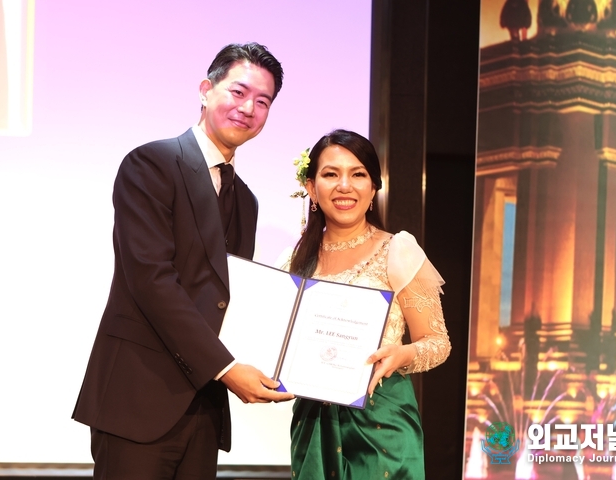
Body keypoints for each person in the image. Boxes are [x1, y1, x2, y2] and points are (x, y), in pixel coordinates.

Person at [72, 42, 294, 480]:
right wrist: (228, 369)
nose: (248, 108)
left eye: (263, 101)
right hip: (138, 400)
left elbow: (232, 299)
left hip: (203, 408)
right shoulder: (152, 163)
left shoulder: (244, 199)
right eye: (238, 92)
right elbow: (151, 280)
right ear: (206, 90)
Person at [285, 129, 451, 479]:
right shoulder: (292, 262)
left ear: (374, 188)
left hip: (383, 421)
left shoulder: (398, 250)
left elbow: (438, 343)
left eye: (358, 174)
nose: (345, 185)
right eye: (331, 174)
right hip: (313, 425)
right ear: (312, 188)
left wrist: (403, 355)